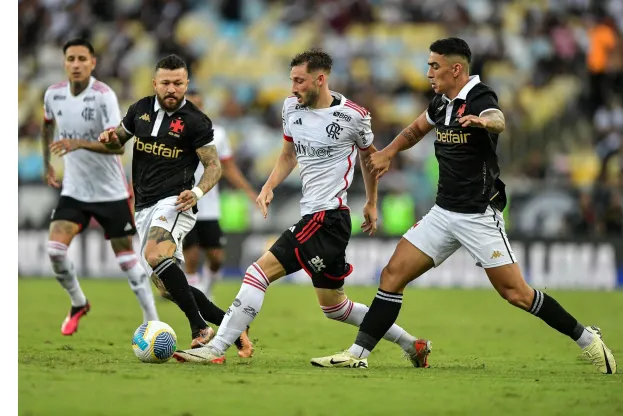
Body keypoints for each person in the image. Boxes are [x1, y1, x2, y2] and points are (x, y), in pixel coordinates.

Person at [310, 38, 616, 374]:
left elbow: (497, 117)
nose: (428, 72)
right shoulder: (443, 102)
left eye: (434, 66)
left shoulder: (479, 96)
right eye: (428, 65)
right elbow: (416, 129)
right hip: (443, 214)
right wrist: (387, 153)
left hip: (478, 216)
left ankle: (587, 338)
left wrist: (485, 123)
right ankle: (358, 353)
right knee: (392, 274)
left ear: (456, 69)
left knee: (516, 293)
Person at [171, 49, 431, 367]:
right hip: (316, 217)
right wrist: (268, 187)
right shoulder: (291, 107)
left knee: (257, 272)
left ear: (320, 79)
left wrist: (372, 201)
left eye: (299, 80)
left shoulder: (353, 115)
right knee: (335, 307)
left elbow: (369, 158)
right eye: (291, 80)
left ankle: (215, 348)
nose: (293, 87)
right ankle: (412, 344)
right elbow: (288, 154)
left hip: (328, 217)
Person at [98, 54, 252, 357]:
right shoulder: (139, 110)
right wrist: (109, 138)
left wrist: (196, 192)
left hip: (175, 202)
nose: (172, 88)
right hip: (143, 206)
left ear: (186, 84)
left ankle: (199, 328)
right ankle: (233, 328)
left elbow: (214, 167)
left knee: (155, 254)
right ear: (155, 82)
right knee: (169, 288)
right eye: (166, 82)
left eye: (178, 83)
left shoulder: (196, 121)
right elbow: (118, 140)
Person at [41, 38, 158, 336]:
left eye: (82, 59)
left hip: (111, 191)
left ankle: (152, 322)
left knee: (127, 262)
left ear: (93, 62)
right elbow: (46, 125)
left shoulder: (103, 95)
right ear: (64, 62)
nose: (76, 64)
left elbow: (118, 147)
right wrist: (47, 164)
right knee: (55, 250)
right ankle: (78, 302)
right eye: (71, 59)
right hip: (75, 189)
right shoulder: (53, 95)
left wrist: (78, 143)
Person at [181, 89, 258, 301]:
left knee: (216, 258)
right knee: (192, 257)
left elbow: (229, 168)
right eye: (190, 104)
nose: (194, 108)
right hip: (185, 204)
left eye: (198, 103)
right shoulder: (175, 132)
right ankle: (196, 300)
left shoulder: (217, 133)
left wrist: (250, 191)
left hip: (209, 206)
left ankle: (205, 290)